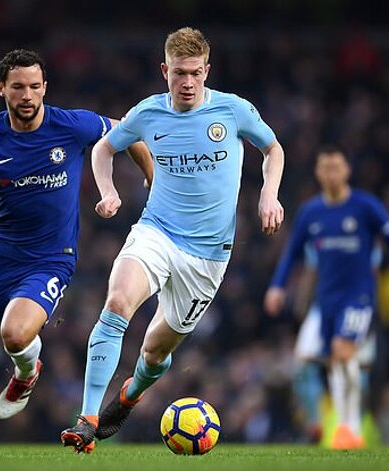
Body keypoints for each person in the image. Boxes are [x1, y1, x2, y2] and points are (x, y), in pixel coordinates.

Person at [59, 27, 285, 453]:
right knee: (117, 302)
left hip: (207, 257)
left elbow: (273, 149)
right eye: (180, 73)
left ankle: (131, 394)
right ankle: (87, 418)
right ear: (165, 71)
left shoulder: (233, 110)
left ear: (207, 71)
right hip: (156, 231)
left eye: (195, 73)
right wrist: (108, 191)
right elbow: (103, 149)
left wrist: (268, 195)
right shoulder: (147, 113)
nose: (188, 82)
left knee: (154, 351)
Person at [0, 49, 152, 454]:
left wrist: (152, 178)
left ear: (44, 88)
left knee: (15, 334)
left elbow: (128, 131)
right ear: (1, 89)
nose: (27, 95)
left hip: (51, 257)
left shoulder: (72, 125)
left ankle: (27, 371)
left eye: (34, 86)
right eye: (18, 87)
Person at [264, 144, 389, 449]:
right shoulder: (311, 212)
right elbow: (292, 253)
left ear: (347, 171)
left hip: (358, 298)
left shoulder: (365, 206)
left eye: (336, 167)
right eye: (325, 168)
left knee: (343, 352)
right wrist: (277, 286)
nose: (331, 173)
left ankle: (349, 427)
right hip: (325, 301)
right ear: (318, 172)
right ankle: (331, 425)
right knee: (322, 360)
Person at [288, 243, 381, 443]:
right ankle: (317, 425)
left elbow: (372, 275)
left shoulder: (365, 236)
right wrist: (302, 303)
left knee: (355, 367)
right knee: (303, 364)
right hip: (323, 308)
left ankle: (353, 426)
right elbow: (312, 271)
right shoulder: (321, 233)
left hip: (355, 308)